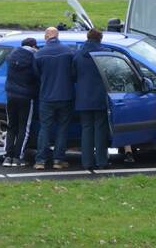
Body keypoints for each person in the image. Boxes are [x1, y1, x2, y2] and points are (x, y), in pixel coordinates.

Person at [33, 26, 75, 169]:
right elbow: (74, 73)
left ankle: (40, 160)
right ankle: (58, 160)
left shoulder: (39, 54)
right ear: (58, 36)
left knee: (45, 128)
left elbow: (36, 75)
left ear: (46, 37)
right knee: (63, 128)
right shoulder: (68, 52)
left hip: (46, 96)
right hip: (65, 95)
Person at [72, 28, 109, 170]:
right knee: (100, 129)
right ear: (100, 39)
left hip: (83, 97)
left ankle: (87, 162)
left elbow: (73, 75)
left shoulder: (77, 54)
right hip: (100, 96)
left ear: (87, 38)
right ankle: (101, 161)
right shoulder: (104, 53)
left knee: (86, 129)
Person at [3, 37, 38, 167]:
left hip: (11, 95)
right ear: (33, 46)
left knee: (11, 125)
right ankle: (18, 157)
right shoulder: (33, 58)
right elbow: (37, 76)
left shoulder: (11, 55)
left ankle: (8, 157)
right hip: (26, 96)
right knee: (24, 127)